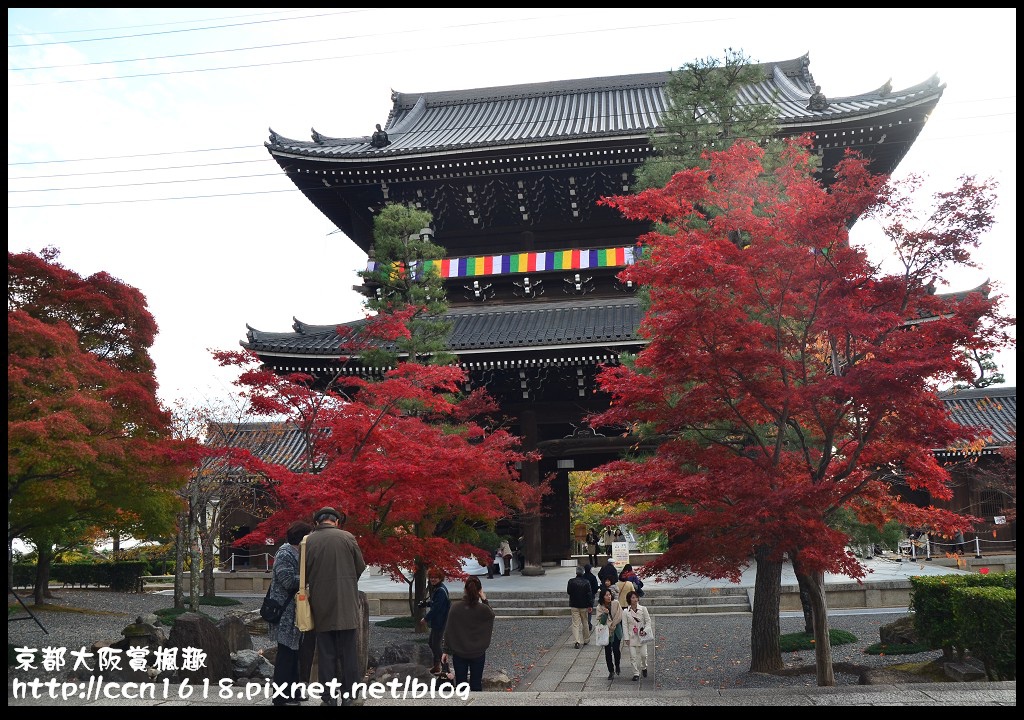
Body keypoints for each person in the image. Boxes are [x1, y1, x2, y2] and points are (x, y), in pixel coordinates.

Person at [304, 506, 366, 706]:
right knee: (349, 652)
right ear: (336, 521)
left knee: (326, 653)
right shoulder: (348, 538)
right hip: (346, 603)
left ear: (317, 522)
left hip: (321, 604)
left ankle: (328, 697)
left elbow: (303, 572)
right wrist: (348, 582)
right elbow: (360, 566)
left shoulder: (309, 541)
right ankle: (350, 696)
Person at [268, 520, 311, 705]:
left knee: (293, 653)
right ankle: (280, 695)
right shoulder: (286, 553)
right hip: (284, 611)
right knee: (286, 654)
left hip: (292, 610)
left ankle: (292, 692)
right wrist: (309, 577)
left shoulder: (295, 552)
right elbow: (286, 580)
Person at [442, 575, 495, 692]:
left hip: (459, 652)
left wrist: (445, 650)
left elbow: (449, 629)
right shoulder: (483, 609)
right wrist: (485, 599)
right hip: (478, 652)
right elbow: (491, 615)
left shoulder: (455, 607)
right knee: (476, 684)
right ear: (480, 591)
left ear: (465, 590)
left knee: (461, 685)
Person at [418, 567, 451, 676]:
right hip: (439, 620)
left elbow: (437, 607)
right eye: (431, 577)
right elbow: (434, 603)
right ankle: (437, 665)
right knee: (432, 643)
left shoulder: (440, 590)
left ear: (440, 578)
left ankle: (445, 667)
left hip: (441, 621)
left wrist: (426, 618)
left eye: (435, 577)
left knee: (436, 645)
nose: (433, 579)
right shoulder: (438, 588)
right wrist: (426, 604)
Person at [622, 590, 653, 680]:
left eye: (636, 597)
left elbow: (648, 621)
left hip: (641, 634)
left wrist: (645, 630)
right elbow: (624, 625)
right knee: (633, 656)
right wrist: (626, 638)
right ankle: (636, 673)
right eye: (633, 598)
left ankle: (644, 667)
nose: (635, 599)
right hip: (631, 635)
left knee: (644, 655)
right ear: (629, 599)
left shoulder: (643, 609)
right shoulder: (625, 612)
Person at [594, 586, 623, 680]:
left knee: (616, 650)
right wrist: (605, 614)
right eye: (606, 595)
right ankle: (610, 671)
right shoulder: (599, 607)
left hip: (616, 630)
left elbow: (619, 616)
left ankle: (617, 664)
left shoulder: (616, 603)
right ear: (603, 597)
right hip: (606, 632)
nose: (608, 597)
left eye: (609, 595)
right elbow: (601, 622)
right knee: (607, 652)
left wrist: (613, 624)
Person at [566, 565, 593, 648]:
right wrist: (590, 605)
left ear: (576, 572)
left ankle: (576, 641)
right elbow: (589, 594)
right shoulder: (586, 582)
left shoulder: (571, 581)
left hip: (574, 604)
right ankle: (586, 639)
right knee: (585, 622)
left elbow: (569, 591)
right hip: (584, 605)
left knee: (575, 624)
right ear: (583, 572)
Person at [582, 563, 599, 630]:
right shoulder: (593, 577)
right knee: (589, 610)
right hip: (591, 596)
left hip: (583, 596)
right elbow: (595, 587)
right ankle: (588, 622)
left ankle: (585, 622)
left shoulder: (582, 577)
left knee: (583, 610)